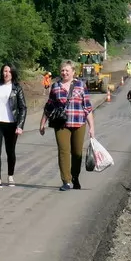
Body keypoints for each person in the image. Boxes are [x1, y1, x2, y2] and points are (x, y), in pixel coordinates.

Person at [39, 60, 95, 191]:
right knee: (63, 151)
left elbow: (87, 107)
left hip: (79, 123)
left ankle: (75, 176)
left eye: (67, 70)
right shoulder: (55, 86)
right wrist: (42, 123)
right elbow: (49, 106)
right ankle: (66, 181)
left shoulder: (81, 86)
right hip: (61, 124)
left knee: (76, 153)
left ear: (73, 72)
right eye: (62, 70)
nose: (64, 73)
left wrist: (92, 127)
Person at [0, 63, 27, 188]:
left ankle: (10, 176)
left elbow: (23, 108)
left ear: (12, 73)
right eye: (4, 71)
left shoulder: (17, 88)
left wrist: (20, 125)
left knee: (10, 151)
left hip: (11, 124)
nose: (5, 74)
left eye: (8, 71)